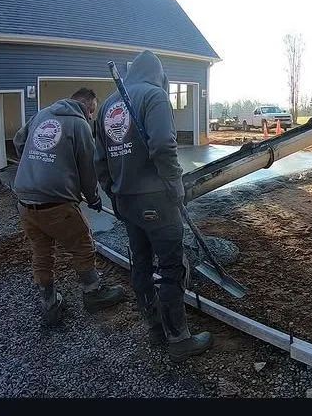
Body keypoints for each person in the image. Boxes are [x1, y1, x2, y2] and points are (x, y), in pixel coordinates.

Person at [94, 50, 212, 362]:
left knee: (142, 264)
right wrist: (175, 184)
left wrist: (114, 192)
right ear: (159, 75)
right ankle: (179, 339)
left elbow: (99, 161)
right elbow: (162, 144)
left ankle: (156, 328)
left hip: (127, 201)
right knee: (172, 266)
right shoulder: (154, 96)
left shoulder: (108, 104)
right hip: (156, 200)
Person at [13, 91, 126, 326]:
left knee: (42, 251)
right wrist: (94, 197)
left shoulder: (42, 114)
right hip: (55, 202)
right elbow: (88, 167)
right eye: (93, 109)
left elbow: (18, 141)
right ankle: (93, 293)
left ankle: (49, 303)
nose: (93, 114)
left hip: (24, 200)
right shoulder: (79, 125)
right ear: (85, 105)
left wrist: (34, 169)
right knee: (83, 244)